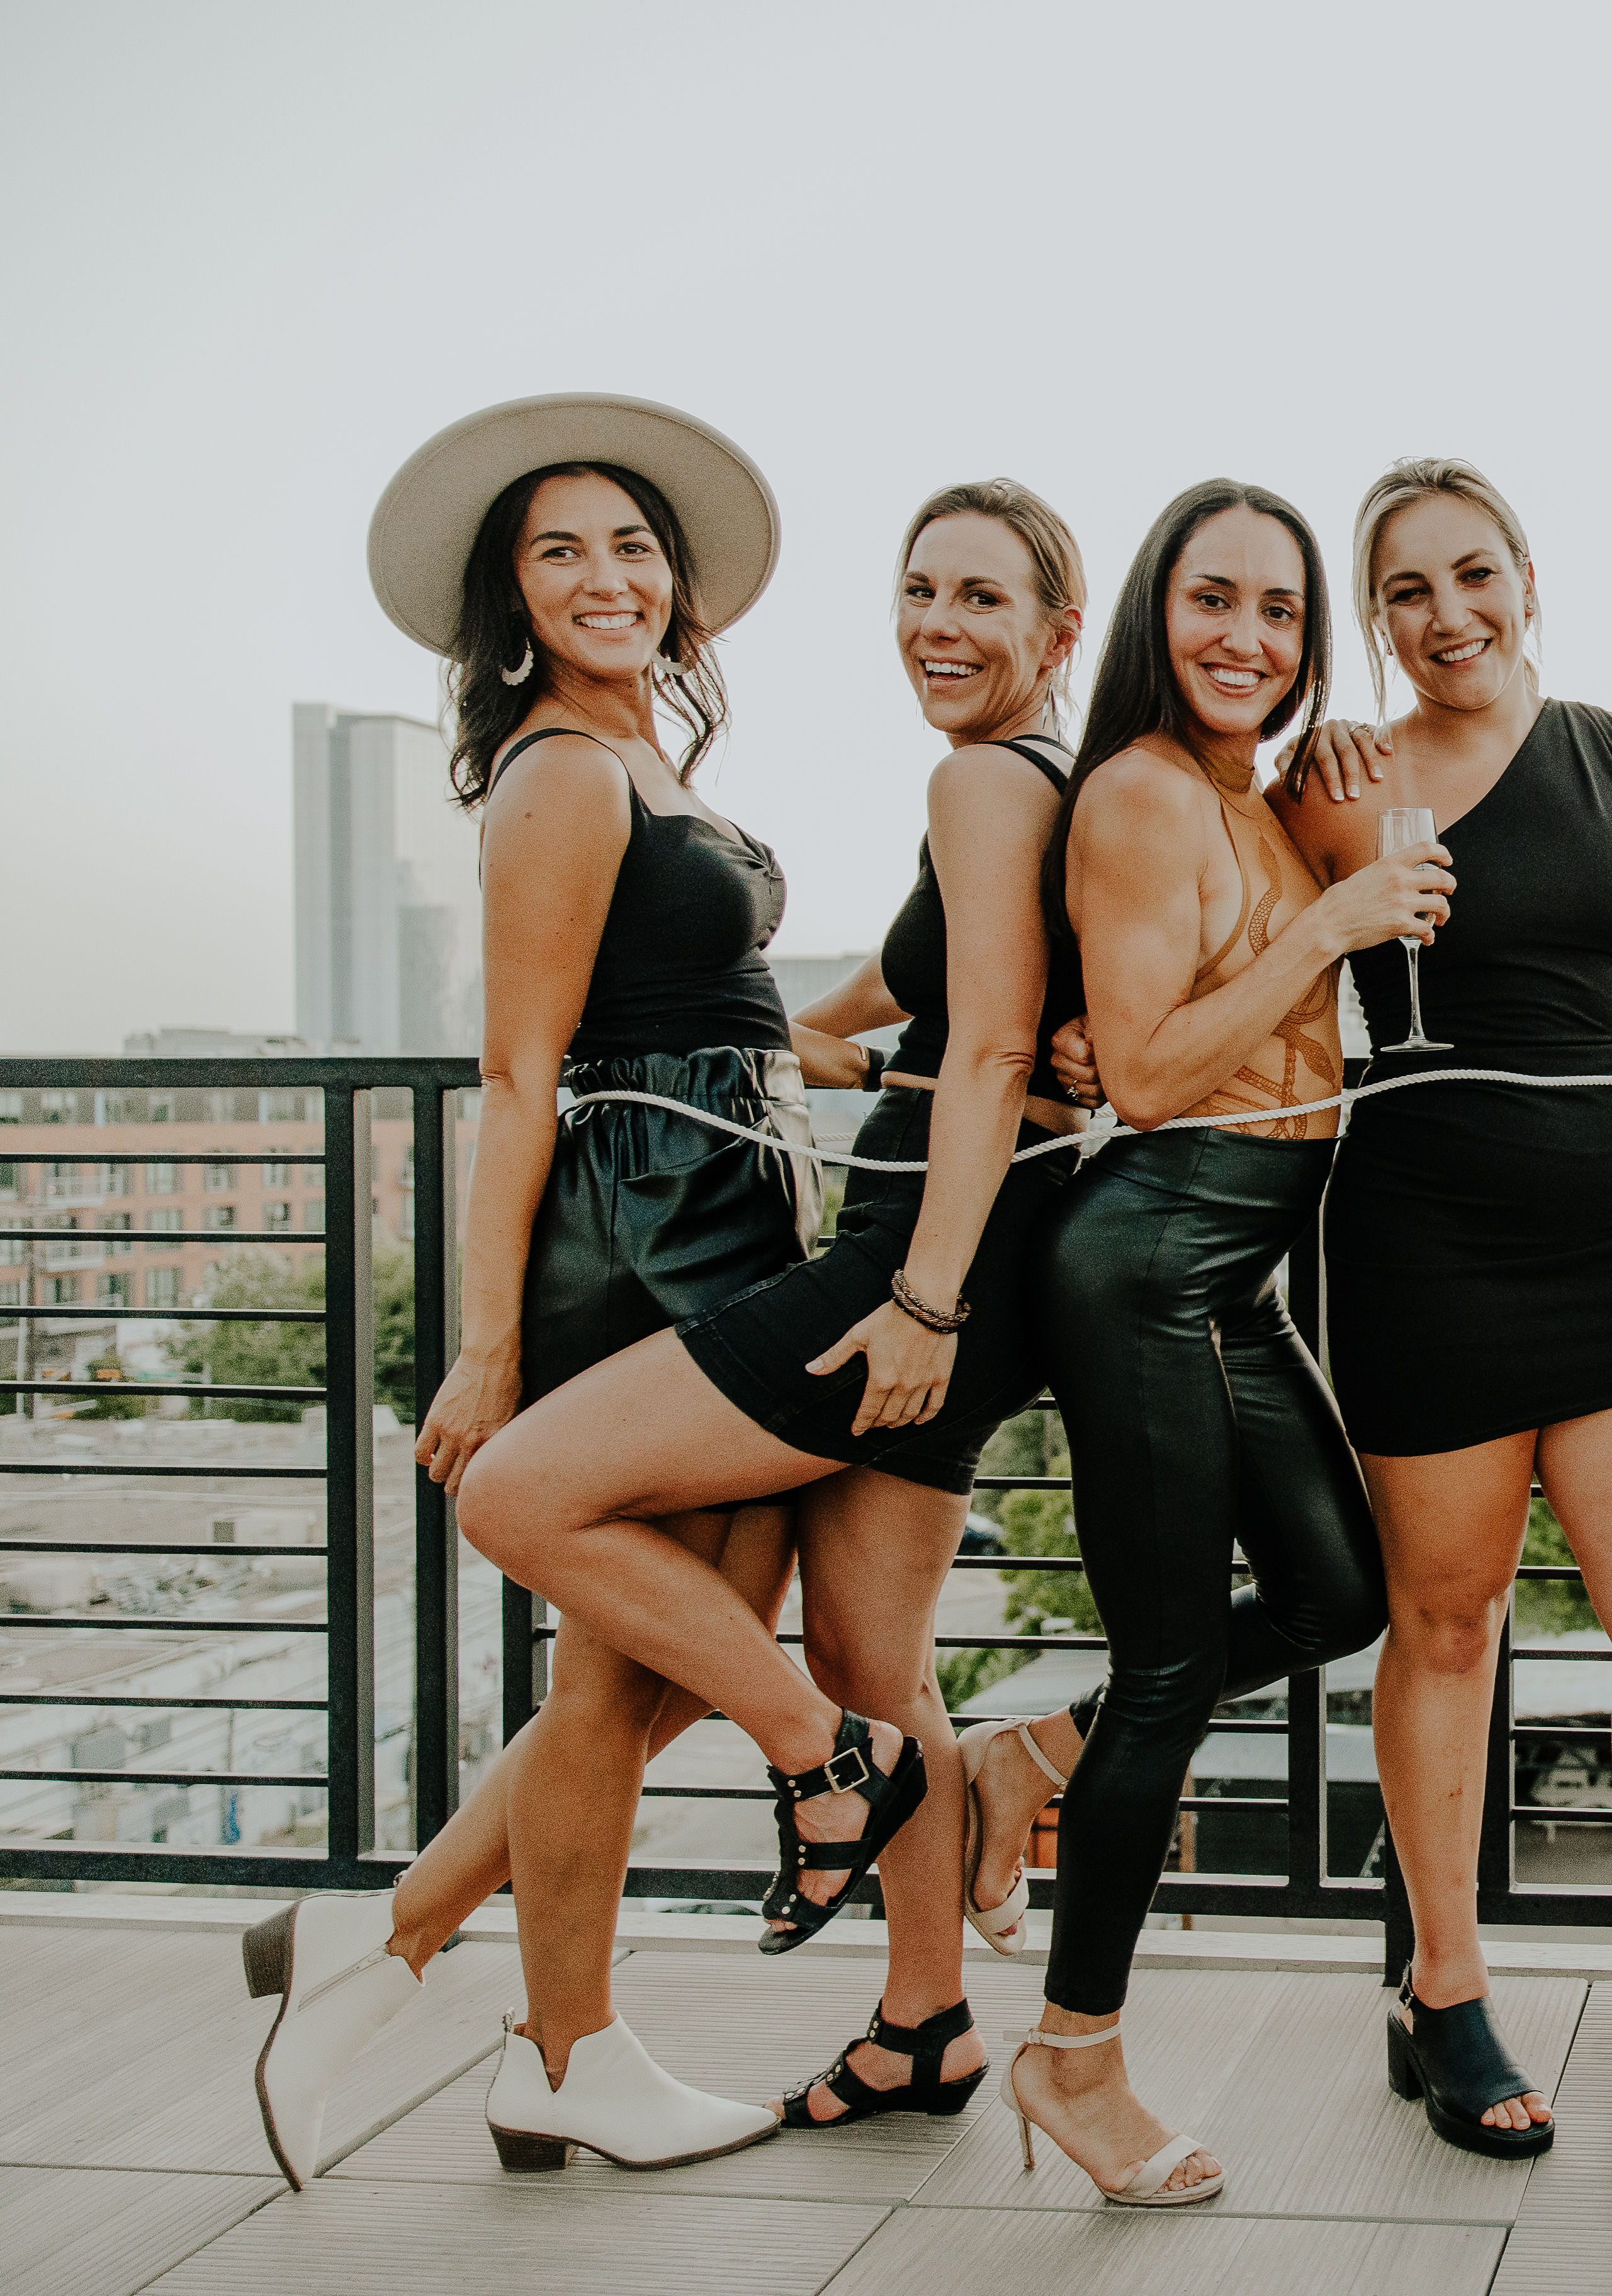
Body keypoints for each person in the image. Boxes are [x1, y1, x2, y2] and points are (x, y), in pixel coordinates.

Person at [245, 394, 811, 2186]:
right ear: (511, 599)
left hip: (718, 1207)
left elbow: (723, 1013)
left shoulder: (646, 763)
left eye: (633, 545)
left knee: (639, 1676)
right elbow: (518, 1076)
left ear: (680, 584)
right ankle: (555, 2042)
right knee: (637, 1670)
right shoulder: (564, 775)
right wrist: (481, 1349)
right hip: (641, 1241)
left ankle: (413, 1955)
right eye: (559, 552)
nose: (605, 577)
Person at [1268, 458, 1612, 2189]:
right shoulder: (1334, 780)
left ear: (1529, 578)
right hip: (1419, 1244)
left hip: (1606, 1249)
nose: (1448, 616)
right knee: (1446, 1628)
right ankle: (1445, 1994)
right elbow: (1260, 980)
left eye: (1473, 574)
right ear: (1375, 623)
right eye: (1407, 594)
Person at [997, 478, 1425, 2207]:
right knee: (1175, 1680)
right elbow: (1155, 1071)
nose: (1248, 639)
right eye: (1212, 602)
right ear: (1152, 621)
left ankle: (1029, 1752)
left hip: (1237, 1270)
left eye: (1280, 611)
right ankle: (1072, 2059)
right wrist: (1329, 922)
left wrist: (1348, 846)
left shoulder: (1250, 801)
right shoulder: (1144, 794)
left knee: (1343, 1598)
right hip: (1155, 1257)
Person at [674, 475, 1095, 2130]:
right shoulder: (1041, 790)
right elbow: (892, 1012)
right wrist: (834, 1042)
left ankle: (816, 1767)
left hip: (915, 1270)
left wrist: (918, 1297)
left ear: (1059, 633)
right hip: (958, 1256)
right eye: (921, 589)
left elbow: (999, 1047)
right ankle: (926, 2024)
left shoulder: (990, 777)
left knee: (528, 1483)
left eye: (983, 598)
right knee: (870, 1646)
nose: (938, 623)